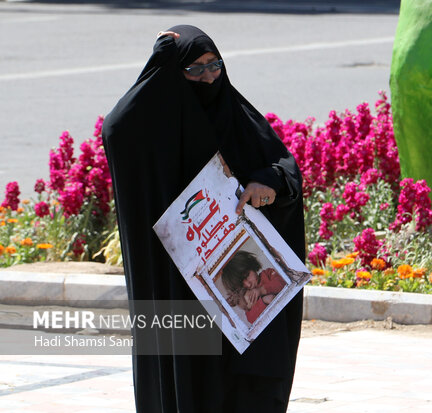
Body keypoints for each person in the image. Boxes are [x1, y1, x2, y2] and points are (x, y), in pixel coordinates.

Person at [102, 25, 305, 413]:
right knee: (192, 381)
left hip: (236, 279)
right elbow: (115, 129)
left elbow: (284, 168)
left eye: (215, 65)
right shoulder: (155, 130)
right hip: (180, 286)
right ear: (172, 74)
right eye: (194, 70)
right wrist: (164, 52)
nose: (209, 77)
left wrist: (269, 183)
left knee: (246, 382)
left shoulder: (236, 114)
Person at [221, 251, 287, 324]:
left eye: (247, 275)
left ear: (252, 265)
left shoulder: (268, 273)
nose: (248, 284)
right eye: (241, 284)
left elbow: (282, 282)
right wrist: (264, 301)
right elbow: (251, 319)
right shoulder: (247, 297)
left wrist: (261, 290)